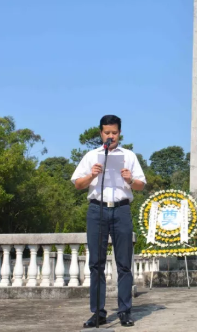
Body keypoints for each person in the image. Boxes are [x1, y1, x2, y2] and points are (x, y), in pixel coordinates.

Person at [71, 115, 146, 328]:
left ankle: (125, 311)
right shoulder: (91, 156)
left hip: (121, 209)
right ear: (101, 133)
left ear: (119, 133)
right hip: (97, 210)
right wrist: (92, 176)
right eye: (107, 133)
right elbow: (77, 184)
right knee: (96, 263)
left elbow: (141, 185)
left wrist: (130, 179)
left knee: (124, 263)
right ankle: (98, 313)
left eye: (114, 133)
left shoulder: (129, 156)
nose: (110, 136)